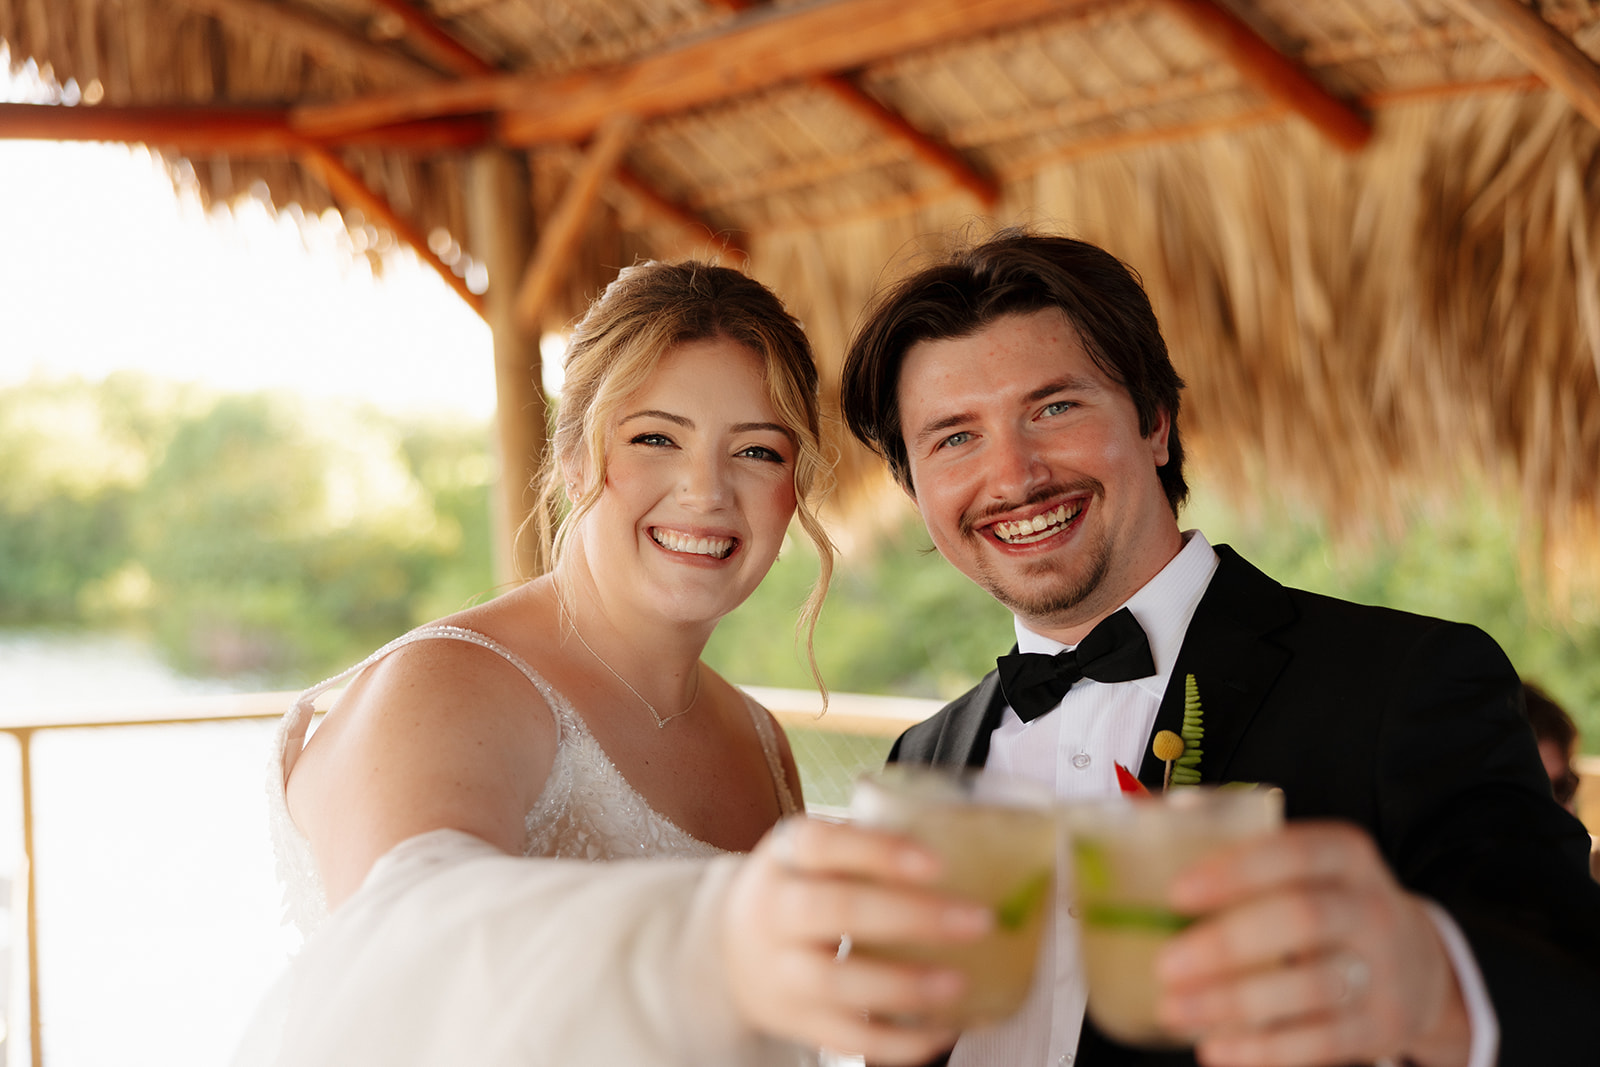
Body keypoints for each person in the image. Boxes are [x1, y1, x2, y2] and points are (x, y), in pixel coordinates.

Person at [836, 229, 1600, 1067]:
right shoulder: (923, 756)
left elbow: (1572, 990)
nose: (1015, 476)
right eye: (954, 437)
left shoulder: (1407, 682)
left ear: (1155, 422)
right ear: (915, 489)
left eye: (1055, 407)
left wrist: (1433, 986)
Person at [233, 261, 986, 1067]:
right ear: (571, 454)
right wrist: (719, 938)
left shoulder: (760, 738)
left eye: (758, 452)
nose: (706, 491)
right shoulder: (445, 684)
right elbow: (407, 950)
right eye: (656, 438)